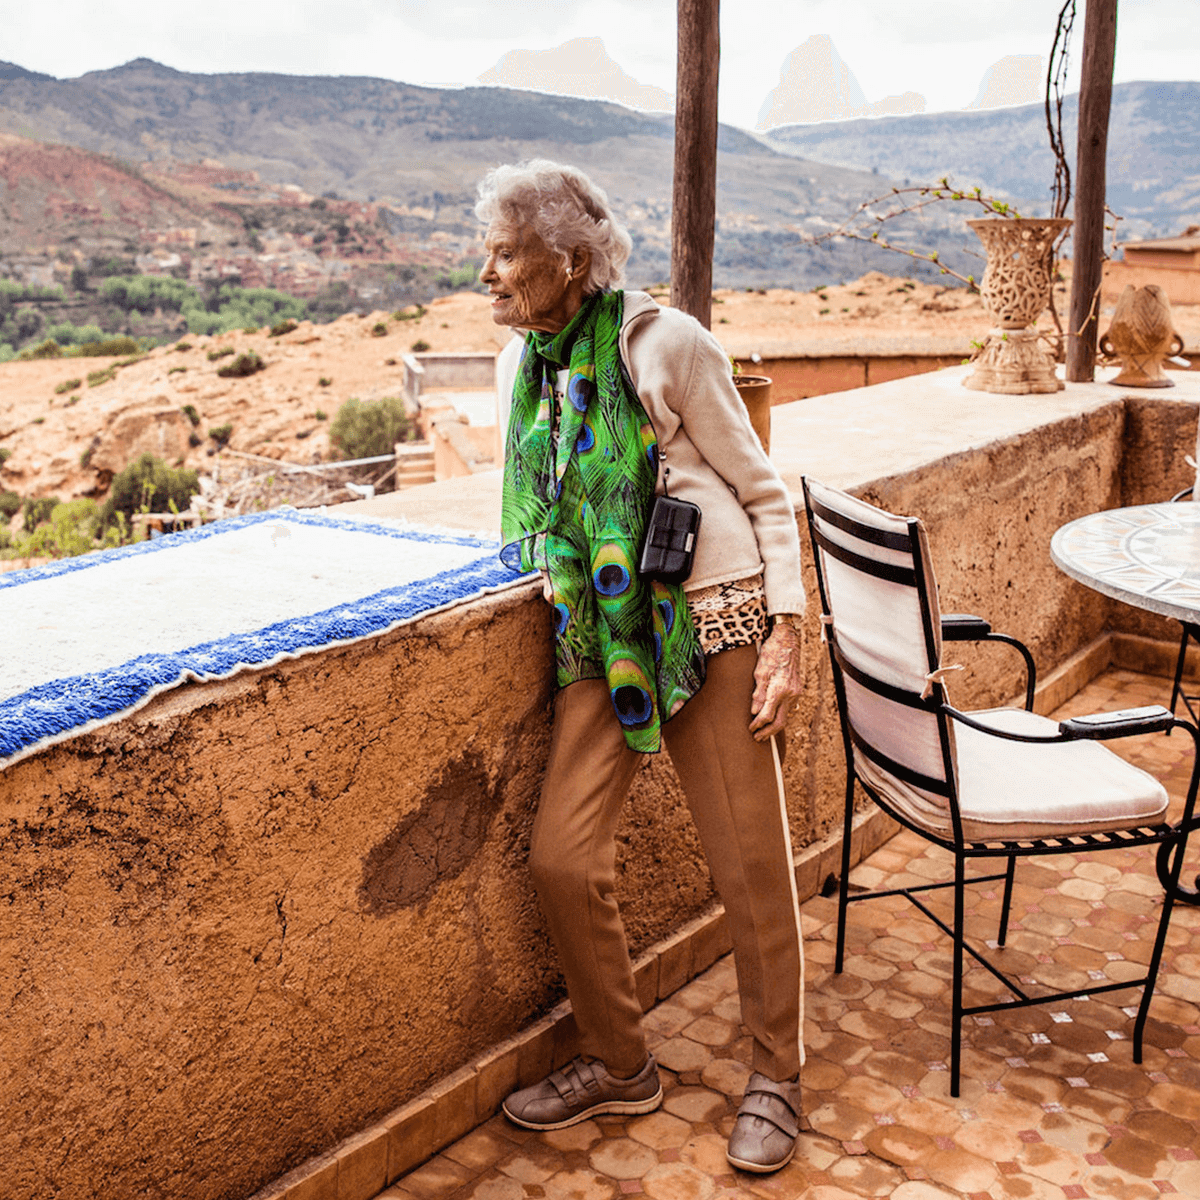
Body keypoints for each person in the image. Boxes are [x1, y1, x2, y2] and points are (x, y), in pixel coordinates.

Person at [478, 159, 807, 1175]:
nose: (487, 275)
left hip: (709, 620)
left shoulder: (668, 345)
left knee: (749, 864)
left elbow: (762, 492)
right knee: (563, 859)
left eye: (506, 256)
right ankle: (622, 1064)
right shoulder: (518, 369)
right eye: (486, 254)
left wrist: (789, 634)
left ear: (568, 262)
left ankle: (778, 1075)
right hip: (601, 637)